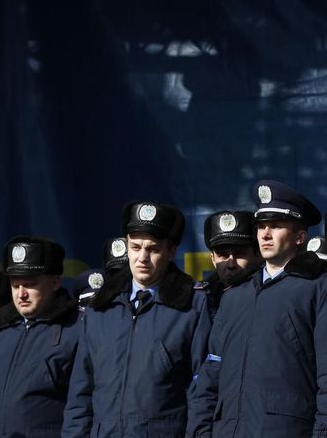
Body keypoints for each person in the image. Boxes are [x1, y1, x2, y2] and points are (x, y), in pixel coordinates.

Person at [63, 200, 212, 437]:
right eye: (135, 247)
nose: (142, 257)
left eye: (152, 249)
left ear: (171, 251)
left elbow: (202, 390)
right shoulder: (101, 307)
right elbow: (81, 391)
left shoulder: (192, 306)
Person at [190, 180, 327, 437]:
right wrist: (199, 431)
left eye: (275, 226)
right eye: (261, 226)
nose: (265, 234)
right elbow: (210, 376)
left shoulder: (318, 289)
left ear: (300, 237)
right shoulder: (234, 297)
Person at [0, 236, 80, 437]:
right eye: (15, 285)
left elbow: (82, 407)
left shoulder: (78, 329)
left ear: (54, 282)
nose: (21, 294)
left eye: (30, 284)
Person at [201, 210, 262, 315]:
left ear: (257, 255)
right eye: (223, 255)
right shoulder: (201, 298)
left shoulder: (270, 293)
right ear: (213, 259)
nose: (231, 264)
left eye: (240, 254)